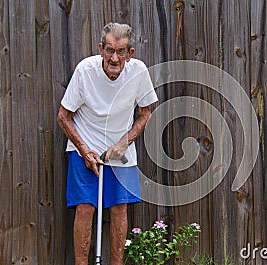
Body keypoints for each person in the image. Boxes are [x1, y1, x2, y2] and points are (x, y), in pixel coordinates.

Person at [57, 22, 158, 265]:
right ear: (101, 49)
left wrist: (124, 142)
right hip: (85, 147)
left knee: (119, 208)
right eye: (110, 50)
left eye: (121, 51)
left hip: (120, 149)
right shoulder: (85, 71)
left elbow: (146, 113)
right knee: (85, 208)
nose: (114, 58)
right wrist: (83, 150)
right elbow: (63, 117)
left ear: (130, 54)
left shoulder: (138, 72)